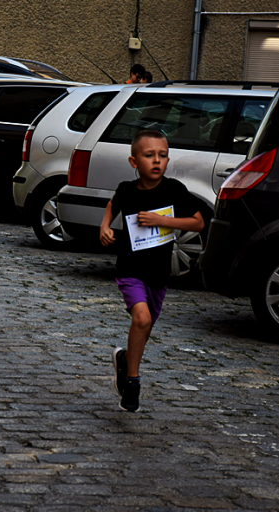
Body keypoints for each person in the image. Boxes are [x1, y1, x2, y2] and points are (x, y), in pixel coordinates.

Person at [99, 129, 204, 412]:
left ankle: (124, 362)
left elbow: (198, 223)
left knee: (144, 328)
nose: (157, 161)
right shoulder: (126, 189)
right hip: (130, 268)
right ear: (134, 162)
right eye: (149, 156)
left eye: (162, 155)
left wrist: (162, 220)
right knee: (142, 319)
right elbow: (112, 205)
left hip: (158, 273)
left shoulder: (174, 190)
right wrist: (104, 226)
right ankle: (133, 382)